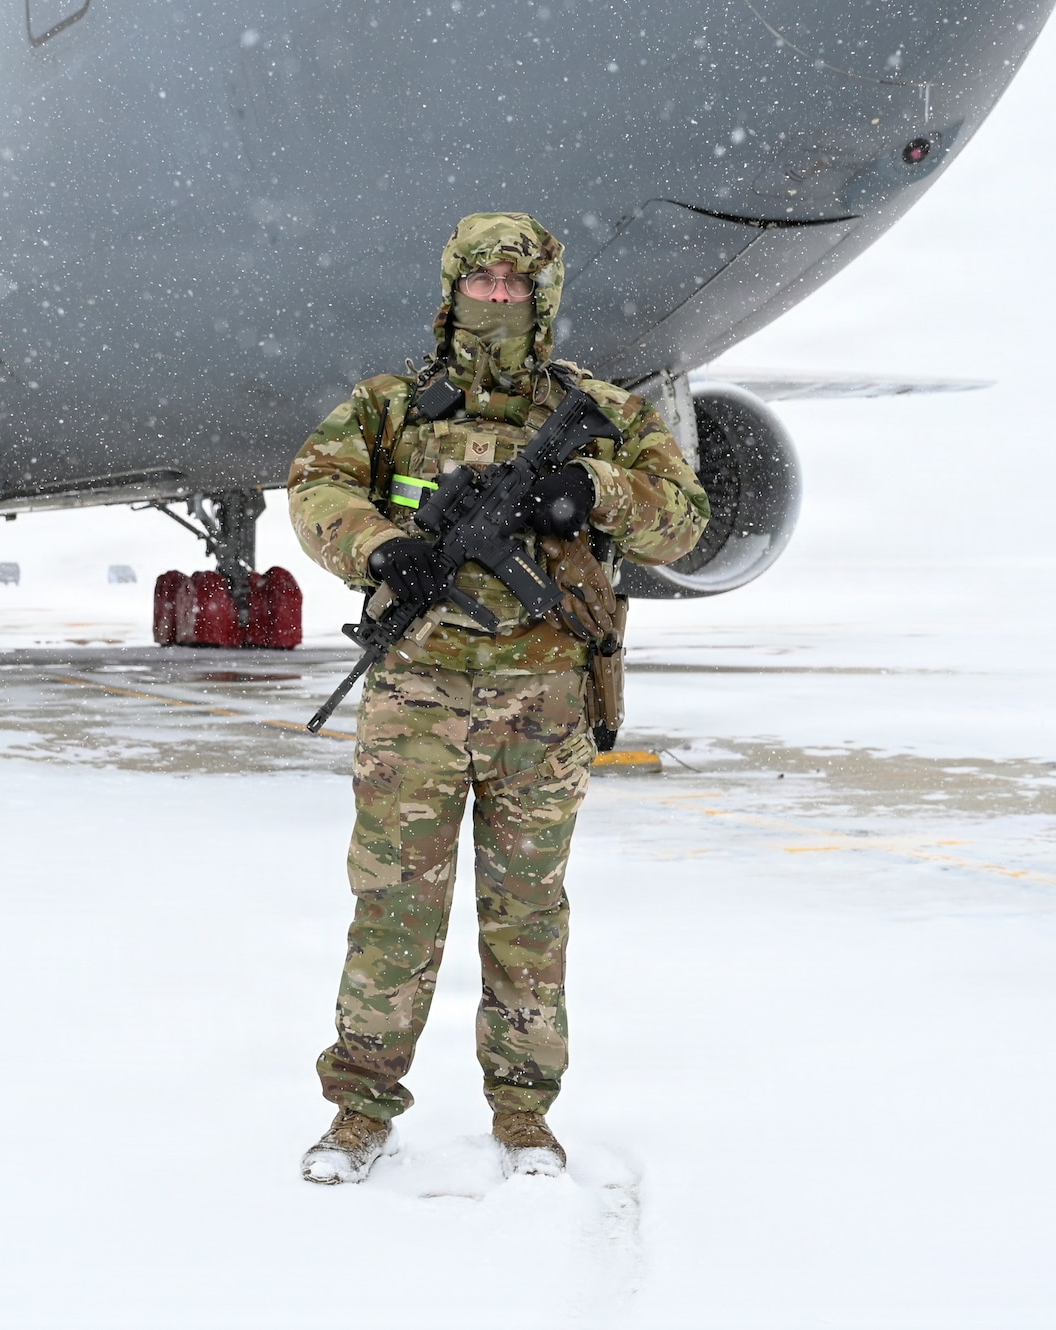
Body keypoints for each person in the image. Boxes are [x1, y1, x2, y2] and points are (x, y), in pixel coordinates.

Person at [287, 212, 710, 1184]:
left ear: (541, 297)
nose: (495, 300)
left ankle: (523, 1115)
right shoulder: (390, 405)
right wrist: (382, 546)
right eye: (479, 284)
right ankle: (358, 1111)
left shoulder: (595, 407)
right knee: (393, 910)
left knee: (525, 915)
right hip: (416, 705)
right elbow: (314, 489)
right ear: (451, 291)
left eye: (513, 286)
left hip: (542, 704)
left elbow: (682, 521)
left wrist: (590, 489)